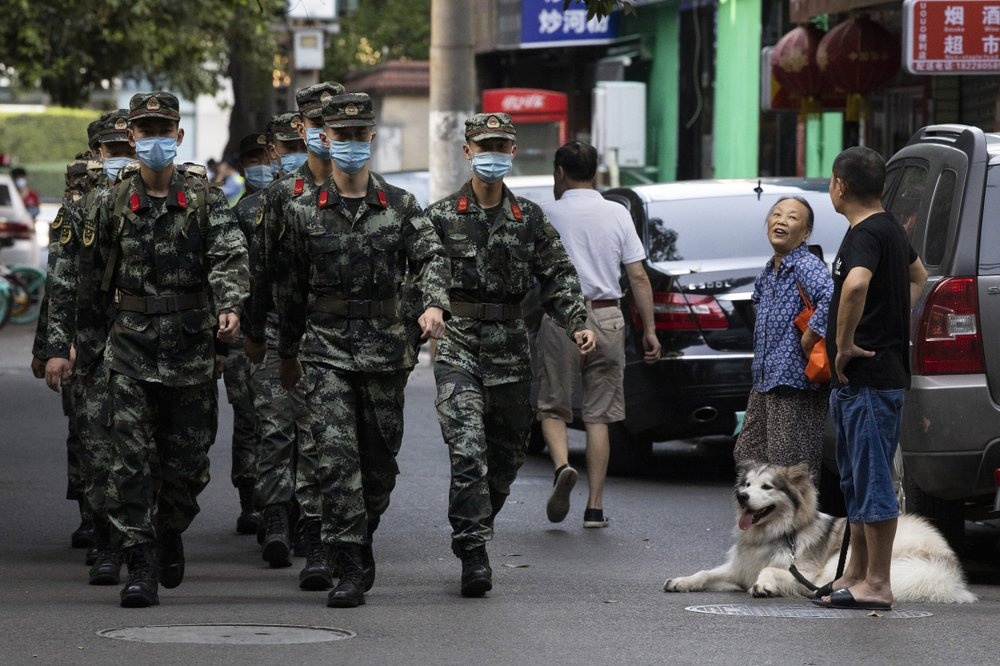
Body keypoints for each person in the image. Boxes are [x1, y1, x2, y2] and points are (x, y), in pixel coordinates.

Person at [272, 91, 450, 608]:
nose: (349, 143)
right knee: (335, 458)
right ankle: (349, 565)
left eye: (358, 135)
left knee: (378, 464)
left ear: (370, 139)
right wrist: (287, 351)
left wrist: (434, 304)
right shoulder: (303, 211)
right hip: (324, 349)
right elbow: (288, 288)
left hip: (386, 353)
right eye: (340, 136)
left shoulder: (400, 206)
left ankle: (361, 533)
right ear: (325, 140)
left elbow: (431, 256)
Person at [73, 91, 249, 608]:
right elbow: (90, 280)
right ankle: (141, 560)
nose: (153, 139)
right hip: (128, 348)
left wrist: (231, 303)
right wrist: (84, 351)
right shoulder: (110, 202)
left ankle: (170, 529)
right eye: (143, 130)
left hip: (191, 347)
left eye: (162, 130)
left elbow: (230, 255)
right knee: (130, 462)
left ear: (178, 136)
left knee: (188, 465)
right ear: (132, 137)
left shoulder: (204, 198)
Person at [425, 113, 595, 598]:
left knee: (506, 458)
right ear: (468, 151)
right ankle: (474, 550)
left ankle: (476, 522)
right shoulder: (441, 216)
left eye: (502, 145)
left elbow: (558, 275)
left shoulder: (530, 219)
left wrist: (577, 322)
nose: (493, 153)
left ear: (514, 152)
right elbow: (424, 273)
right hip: (458, 347)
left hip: (509, 349)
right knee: (468, 452)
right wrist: (430, 309)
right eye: (485, 145)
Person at [814, 146, 927, 611]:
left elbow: (856, 284)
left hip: (867, 378)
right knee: (858, 479)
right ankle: (856, 573)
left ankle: (877, 582)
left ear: (840, 185)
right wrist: (893, 315)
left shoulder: (866, 234)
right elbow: (919, 276)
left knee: (873, 479)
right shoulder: (889, 230)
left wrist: (844, 343)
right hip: (869, 379)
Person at [245, 82, 343, 581]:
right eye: (318, 123)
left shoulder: (366, 190)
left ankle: (322, 529)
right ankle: (283, 517)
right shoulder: (282, 196)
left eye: (336, 124)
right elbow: (260, 273)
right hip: (284, 329)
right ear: (303, 128)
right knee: (277, 429)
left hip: (338, 337)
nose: (326, 133)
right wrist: (254, 332)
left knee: (322, 439)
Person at [537, 141, 660, 529]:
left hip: (560, 318)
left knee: (553, 407)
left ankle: (561, 468)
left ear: (559, 173)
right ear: (596, 173)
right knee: (600, 414)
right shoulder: (617, 213)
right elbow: (638, 275)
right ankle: (594, 508)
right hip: (608, 316)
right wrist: (650, 330)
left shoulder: (546, 213)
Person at [44, 109, 138, 586]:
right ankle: (106, 537)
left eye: (129, 147)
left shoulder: (169, 198)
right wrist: (58, 346)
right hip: (94, 343)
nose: (123, 157)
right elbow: (61, 283)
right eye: (114, 149)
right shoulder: (82, 208)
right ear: (98, 152)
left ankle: (145, 535)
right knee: (96, 442)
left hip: (152, 341)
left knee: (150, 447)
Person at [732, 196, 834, 480]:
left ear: (806, 232)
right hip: (765, 381)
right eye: (776, 215)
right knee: (748, 452)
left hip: (794, 383)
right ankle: (768, 520)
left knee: (789, 467)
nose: (781, 221)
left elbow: (832, 297)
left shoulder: (805, 264)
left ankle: (794, 524)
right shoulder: (769, 270)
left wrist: (811, 333)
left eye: (792, 217)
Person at [223, 132, 271, 536]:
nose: (261, 165)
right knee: (249, 416)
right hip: (242, 330)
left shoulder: (298, 206)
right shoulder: (236, 215)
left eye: (265, 156)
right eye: (251, 159)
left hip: (286, 325)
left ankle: (286, 503)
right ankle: (250, 496)